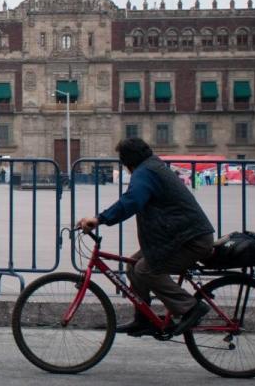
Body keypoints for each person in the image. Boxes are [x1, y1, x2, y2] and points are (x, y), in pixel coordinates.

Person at [77, 138, 215, 337]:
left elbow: (132, 201)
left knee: (145, 270)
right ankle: (145, 319)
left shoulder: (146, 172)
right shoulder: (152, 166)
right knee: (134, 265)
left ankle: (190, 308)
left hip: (190, 240)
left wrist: (99, 219)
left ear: (128, 162)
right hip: (177, 237)